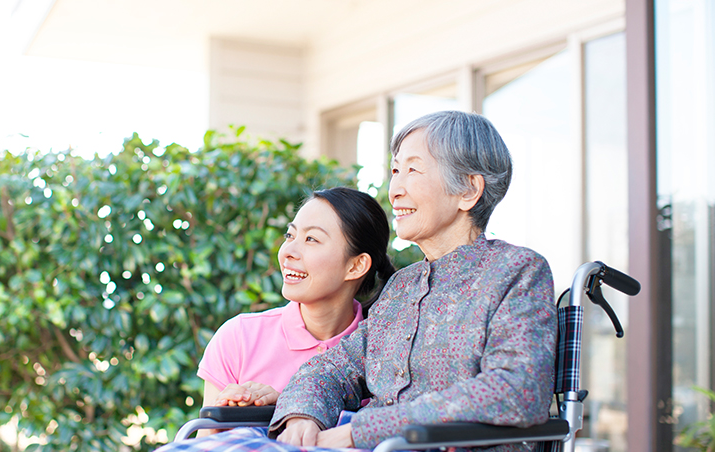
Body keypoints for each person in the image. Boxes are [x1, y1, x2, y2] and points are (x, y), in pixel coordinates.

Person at [159, 111, 556, 452]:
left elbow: (516, 390)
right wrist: (303, 412)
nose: (395, 188)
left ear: (468, 189)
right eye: (395, 170)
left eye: (413, 170)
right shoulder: (402, 287)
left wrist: (359, 433)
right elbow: (332, 367)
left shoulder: (515, 271)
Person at [197, 187, 396, 413]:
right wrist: (225, 415)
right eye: (290, 235)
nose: (288, 251)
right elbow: (204, 441)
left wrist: (289, 408)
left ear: (356, 265)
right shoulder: (239, 337)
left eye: (311, 239)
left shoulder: (387, 351)